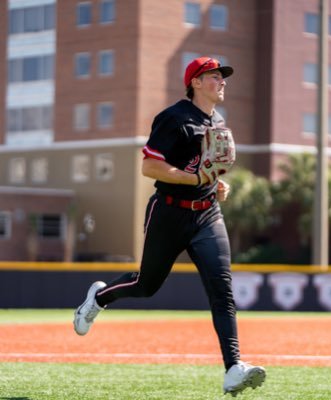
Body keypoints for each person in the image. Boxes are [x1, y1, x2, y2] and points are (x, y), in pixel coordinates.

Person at [73, 56, 266, 396]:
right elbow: (150, 168)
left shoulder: (218, 120)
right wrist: (195, 178)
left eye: (223, 77)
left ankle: (234, 368)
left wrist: (217, 184)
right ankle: (99, 297)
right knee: (146, 285)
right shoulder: (174, 118)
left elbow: (208, 169)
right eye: (215, 76)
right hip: (169, 213)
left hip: (207, 214)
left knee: (222, 292)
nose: (222, 81)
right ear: (195, 82)